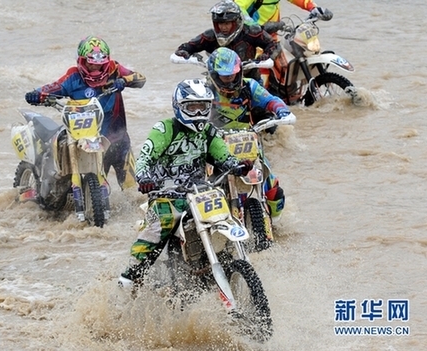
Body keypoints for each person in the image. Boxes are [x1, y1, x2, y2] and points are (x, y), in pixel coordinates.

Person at [118, 79, 254, 287]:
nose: (199, 113)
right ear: (179, 107)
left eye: (203, 107)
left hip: (200, 193)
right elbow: (145, 158)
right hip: (166, 195)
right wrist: (144, 178)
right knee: (157, 228)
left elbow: (223, 156)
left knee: (229, 214)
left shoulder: (209, 132)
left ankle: (233, 260)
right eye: (192, 107)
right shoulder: (165, 129)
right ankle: (129, 278)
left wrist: (238, 165)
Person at [25, 35, 146, 190]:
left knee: (133, 191)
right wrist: (36, 94)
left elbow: (140, 79)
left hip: (118, 140)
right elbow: (52, 87)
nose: (95, 68)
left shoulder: (114, 69)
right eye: (91, 64)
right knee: (92, 188)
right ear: (82, 61)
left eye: (100, 65)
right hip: (85, 142)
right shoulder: (73, 76)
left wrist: (124, 81)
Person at [206, 47, 294, 226]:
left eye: (232, 75)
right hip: (215, 146)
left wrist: (281, 110)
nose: (229, 80)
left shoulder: (249, 86)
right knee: (202, 189)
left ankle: (275, 224)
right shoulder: (204, 90)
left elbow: (270, 100)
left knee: (274, 191)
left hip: (249, 143)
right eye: (224, 76)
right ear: (214, 75)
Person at [174, 0, 278, 82]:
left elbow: (272, 44)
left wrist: (266, 55)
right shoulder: (210, 36)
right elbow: (188, 46)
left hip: (248, 79)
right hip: (217, 80)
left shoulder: (251, 32)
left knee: (262, 105)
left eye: (227, 23)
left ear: (236, 22)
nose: (223, 27)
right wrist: (184, 52)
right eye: (220, 23)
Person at [234, 0, 332, 27]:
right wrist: (252, 24)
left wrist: (313, 8)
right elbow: (237, 7)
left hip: (273, 33)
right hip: (254, 35)